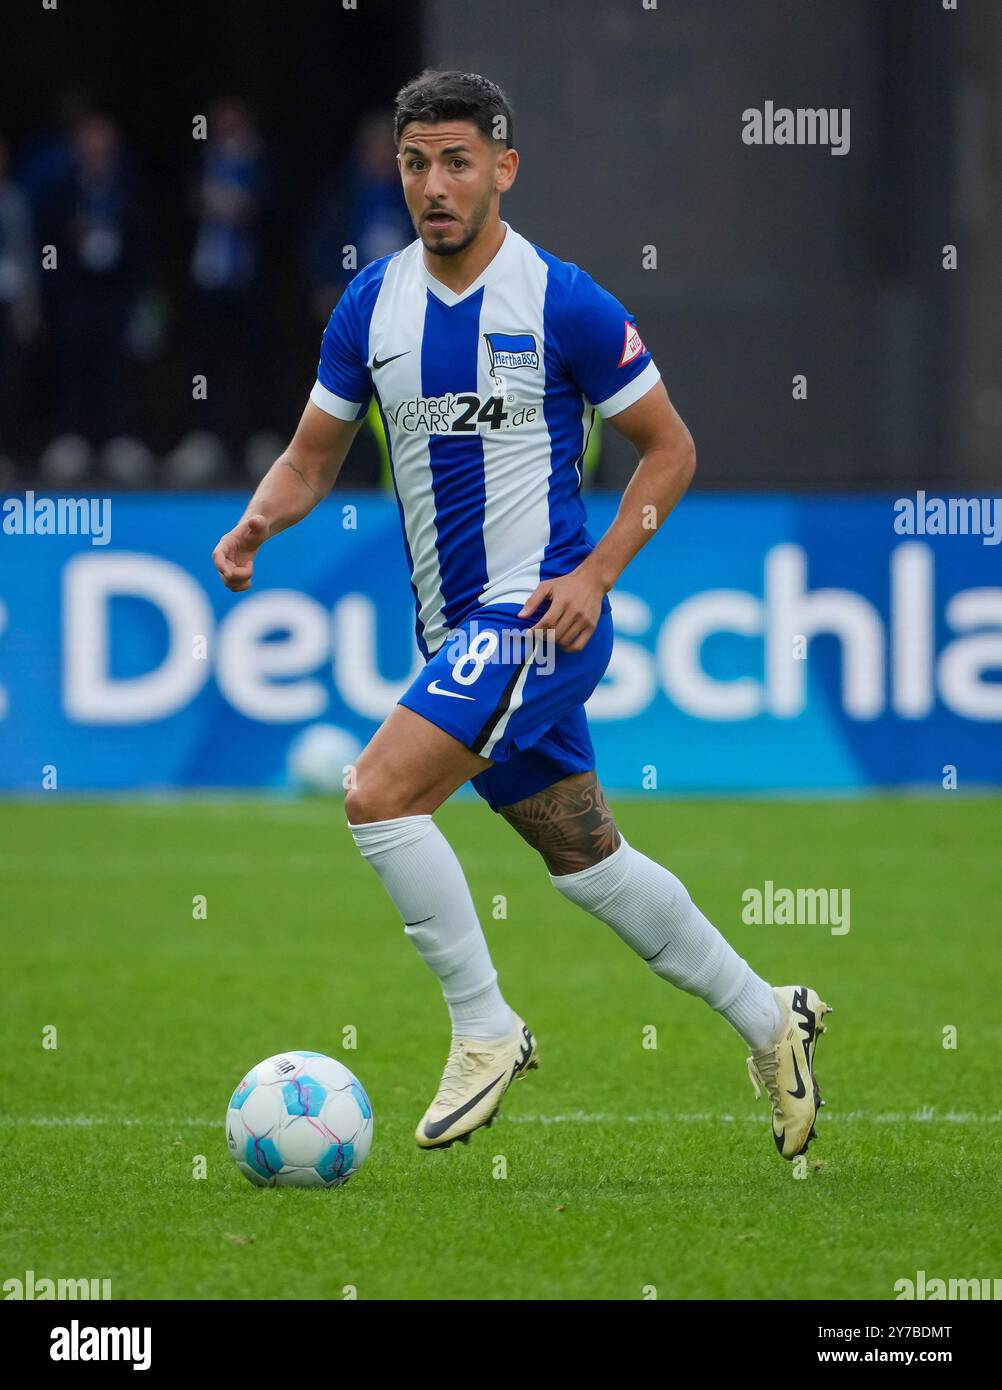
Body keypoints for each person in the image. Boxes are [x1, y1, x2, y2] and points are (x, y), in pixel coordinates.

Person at [212, 70, 831, 1162]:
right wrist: (259, 526)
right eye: (415, 164)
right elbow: (314, 459)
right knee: (591, 860)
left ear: (503, 167)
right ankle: (770, 1018)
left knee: (376, 793)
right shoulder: (372, 307)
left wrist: (594, 574)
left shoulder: (565, 301)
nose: (435, 185)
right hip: (457, 636)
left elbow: (671, 449)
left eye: (457, 161)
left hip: (536, 617)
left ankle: (485, 1026)